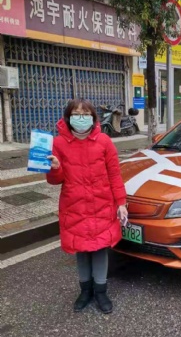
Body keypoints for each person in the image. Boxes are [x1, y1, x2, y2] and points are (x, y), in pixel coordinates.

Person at [46, 98, 128, 314]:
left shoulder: (105, 142)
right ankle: (85, 291)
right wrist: (54, 168)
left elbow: (114, 175)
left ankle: (101, 292)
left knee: (100, 249)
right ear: (68, 118)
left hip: (102, 204)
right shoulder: (58, 143)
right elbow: (54, 180)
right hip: (74, 205)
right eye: (76, 114)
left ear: (93, 118)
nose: (81, 119)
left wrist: (121, 203)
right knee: (81, 250)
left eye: (85, 114)